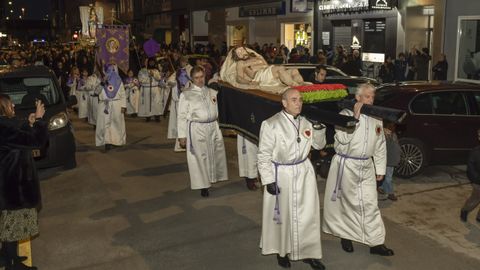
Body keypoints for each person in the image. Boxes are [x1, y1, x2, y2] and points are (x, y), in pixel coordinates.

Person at [257, 88, 326, 270]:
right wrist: (268, 180)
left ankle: (308, 252)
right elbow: (263, 155)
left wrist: (318, 127)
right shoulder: (271, 124)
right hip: (282, 174)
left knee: (307, 214)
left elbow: (319, 145)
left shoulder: (306, 122)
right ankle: (282, 252)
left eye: (301, 100)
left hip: (304, 172)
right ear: (284, 102)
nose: (299, 103)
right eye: (294, 99)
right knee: (283, 215)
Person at [323, 83, 394, 256]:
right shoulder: (344, 114)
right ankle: (345, 236)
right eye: (367, 96)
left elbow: (380, 145)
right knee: (346, 204)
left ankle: (376, 243)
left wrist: (380, 169)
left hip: (366, 166)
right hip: (346, 165)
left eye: (372, 97)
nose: (371, 100)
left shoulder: (376, 118)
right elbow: (342, 138)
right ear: (358, 98)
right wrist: (354, 116)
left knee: (370, 203)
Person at [0, 94, 47, 270]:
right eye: (9, 103)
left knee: (7, 223)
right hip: (14, 185)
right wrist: (40, 120)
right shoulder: (5, 128)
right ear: (3, 107)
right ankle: (13, 266)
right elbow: (37, 142)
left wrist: (29, 123)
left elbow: (19, 140)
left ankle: (5, 256)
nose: (13, 105)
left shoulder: (5, 126)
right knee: (13, 225)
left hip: (6, 183)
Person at [177, 66, 228, 197]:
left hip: (212, 127)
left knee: (213, 154)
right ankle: (203, 185)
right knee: (200, 157)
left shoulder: (211, 92)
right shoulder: (186, 95)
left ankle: (211, 178)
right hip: (197, 128)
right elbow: (181, 116)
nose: (200, 80)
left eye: (202, 77)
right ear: (192, 79)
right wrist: (182, 136)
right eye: (197, 78)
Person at [230, 46, 304, 87]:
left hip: (268, 71)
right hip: (259, 75)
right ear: (237, 56)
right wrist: (249, 82)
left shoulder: (256, 56)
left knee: (294, 70)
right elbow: (239, 78)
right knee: (279, 68)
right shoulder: (241, 63)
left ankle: (302, 85)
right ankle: (296, 86)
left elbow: (267, 65)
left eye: (241, 49)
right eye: (238, 52)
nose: (241, 52)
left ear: (245, 49)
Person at [96, 64, 127, 152]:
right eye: (109, 70)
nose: (111, 72)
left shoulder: (118, 81)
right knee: (105, 124)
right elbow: (96, 92)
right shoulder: (100, 80)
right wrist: (102, 83)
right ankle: (107, 142)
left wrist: (123, 106)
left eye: (113, 70)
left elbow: (123, 93)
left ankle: (116, 141)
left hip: (116, 104)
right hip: (104, 105)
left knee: (116, 124)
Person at [168, 56, 191, 152]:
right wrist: (173, 82)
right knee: (181, 121)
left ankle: (189, 143)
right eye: (181, 61)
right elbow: (170, 81)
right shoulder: (177, 72)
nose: (182, 63)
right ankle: (180, 144)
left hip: (189, 98)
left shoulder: (191, 69)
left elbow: (193, 80)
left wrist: (187, 80)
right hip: (179, 98)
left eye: (184, 61)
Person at [460, 128, 480, 223]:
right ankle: (465, 210)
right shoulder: (475, 152)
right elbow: (470, 168)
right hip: (478, 181)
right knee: (475, 199)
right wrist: (476, 179)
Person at [378, 121, 401, 201]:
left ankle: (386, 190)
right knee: (387, 177)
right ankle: (386, 191)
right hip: (387, 160)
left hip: (390, 160)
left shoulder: (393, 135)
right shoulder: (384, 135)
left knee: (387, 177)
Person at [138, 58, 164, 122]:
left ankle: (157, 116)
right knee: (147, 103)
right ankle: (148, 116)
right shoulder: (142, 71)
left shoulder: (156, 70)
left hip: (155, 88)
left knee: (156, 102)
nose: (151, 63)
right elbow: (140, 80)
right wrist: (148, 77)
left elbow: (159, 78)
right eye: (150, 62)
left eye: (152, 62)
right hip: (146, 88)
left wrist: (154, 75)